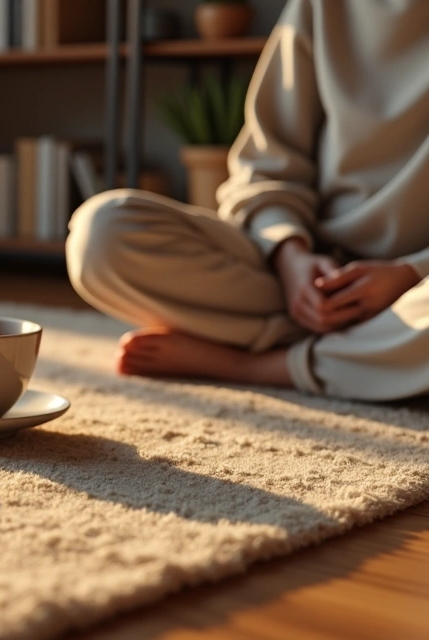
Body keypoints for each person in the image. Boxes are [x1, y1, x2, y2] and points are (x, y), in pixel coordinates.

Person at [65, 0, 429, 401]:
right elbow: (268, 165)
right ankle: (374, 354)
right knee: (101, 234)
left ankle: (262, 365)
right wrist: (290, 255)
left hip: (418, 290)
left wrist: (410, 273)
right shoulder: (321, 7)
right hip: (301, 276)